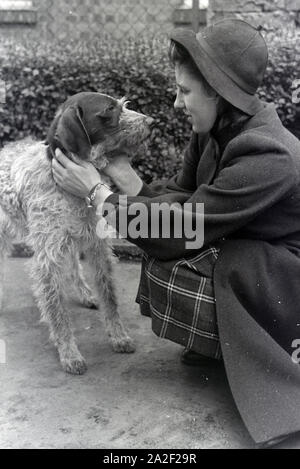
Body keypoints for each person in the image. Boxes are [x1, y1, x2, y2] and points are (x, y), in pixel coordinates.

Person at [52, 19, 300, 447]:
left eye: (185, 92)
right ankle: (223, 341)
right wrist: (123, 178)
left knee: (173, 266)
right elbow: (181, 202)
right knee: (160, 247)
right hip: (256, 258)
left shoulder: (269, 153)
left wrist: (97, 194)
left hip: (287, 283)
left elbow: (179, 230)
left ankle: (250, 346)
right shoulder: (217, 131)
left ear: (220, 93)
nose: (175, 101)